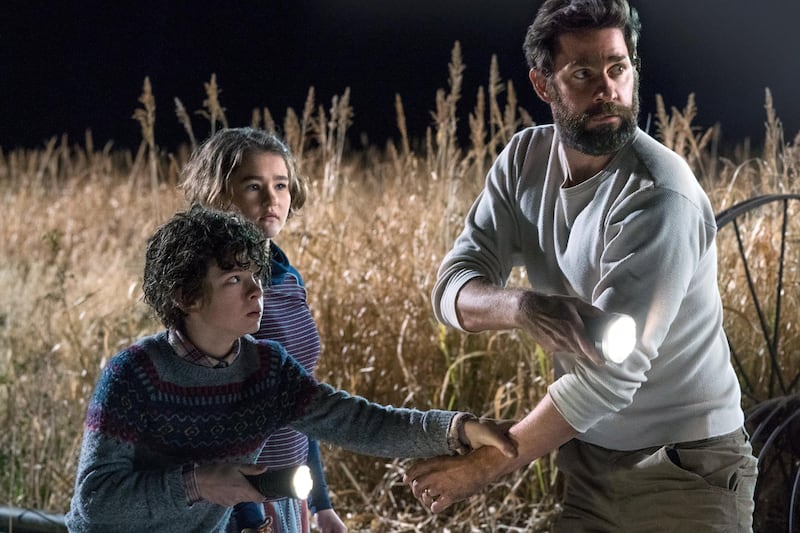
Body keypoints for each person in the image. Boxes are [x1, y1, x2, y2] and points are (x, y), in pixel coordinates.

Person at [403, 0, 758, 531]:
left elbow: (608, 379)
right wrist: (522, 307)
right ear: (543, 84)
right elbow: (452, 288)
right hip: (590, 464)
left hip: (688, 470)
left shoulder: (658, 194)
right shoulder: (523, 161)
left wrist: (482, 467)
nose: (606, 89)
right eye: (583, 74)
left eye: (618, 68)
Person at [65, 206, 516, 533]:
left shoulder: (266, 368)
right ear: (186, 297)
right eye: (233, 280)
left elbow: (357, 422)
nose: (255, 292)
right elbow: (96, 502)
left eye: (255, 277)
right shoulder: (133, 375)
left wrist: (456, 429)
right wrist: (198, 484)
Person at [180, 127, 344, 533]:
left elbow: (301, 397)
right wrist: (251, 520)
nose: (272, 200)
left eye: (281, 185)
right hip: (237, 507)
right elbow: (209, 417)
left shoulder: (288, 277)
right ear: (219, 194)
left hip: (288, 493)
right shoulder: (209, 288)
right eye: (254, 186)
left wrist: (321, 504)